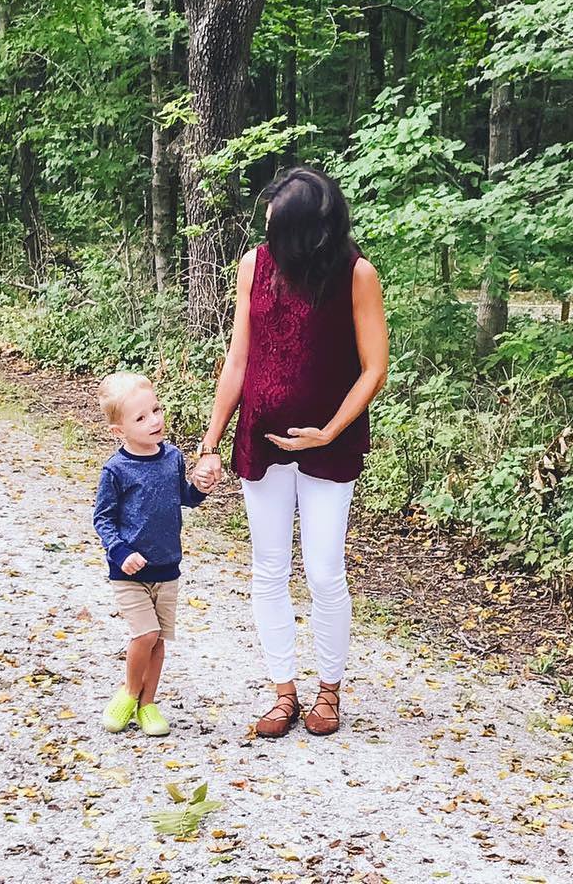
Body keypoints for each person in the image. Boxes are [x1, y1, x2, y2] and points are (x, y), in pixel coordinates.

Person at [192, 167, 388, 737]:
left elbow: (373, 367)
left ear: (311, 232)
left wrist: (329, 431)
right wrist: (210, 441)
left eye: (279, 226)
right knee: (269, 569)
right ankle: (283, 691)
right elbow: (238, 359)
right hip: (261, 438)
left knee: (324, 571)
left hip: (329, 444)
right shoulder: (255, 265)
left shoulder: (357, 275)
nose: (268, 234)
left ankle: (330, 690)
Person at [92, 371, 215, 736]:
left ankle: (148, 704)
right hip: (129, 571)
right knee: (144, 634)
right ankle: (129, 693)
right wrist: (120, 551)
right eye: (141, 418)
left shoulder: (173, 458)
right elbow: (103, 518)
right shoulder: (116, 469)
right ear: (120, 431)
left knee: (159, 639)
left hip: (167, 568)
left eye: (156, 410)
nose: (155, 421)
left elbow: (184, 498)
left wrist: (201, 486)